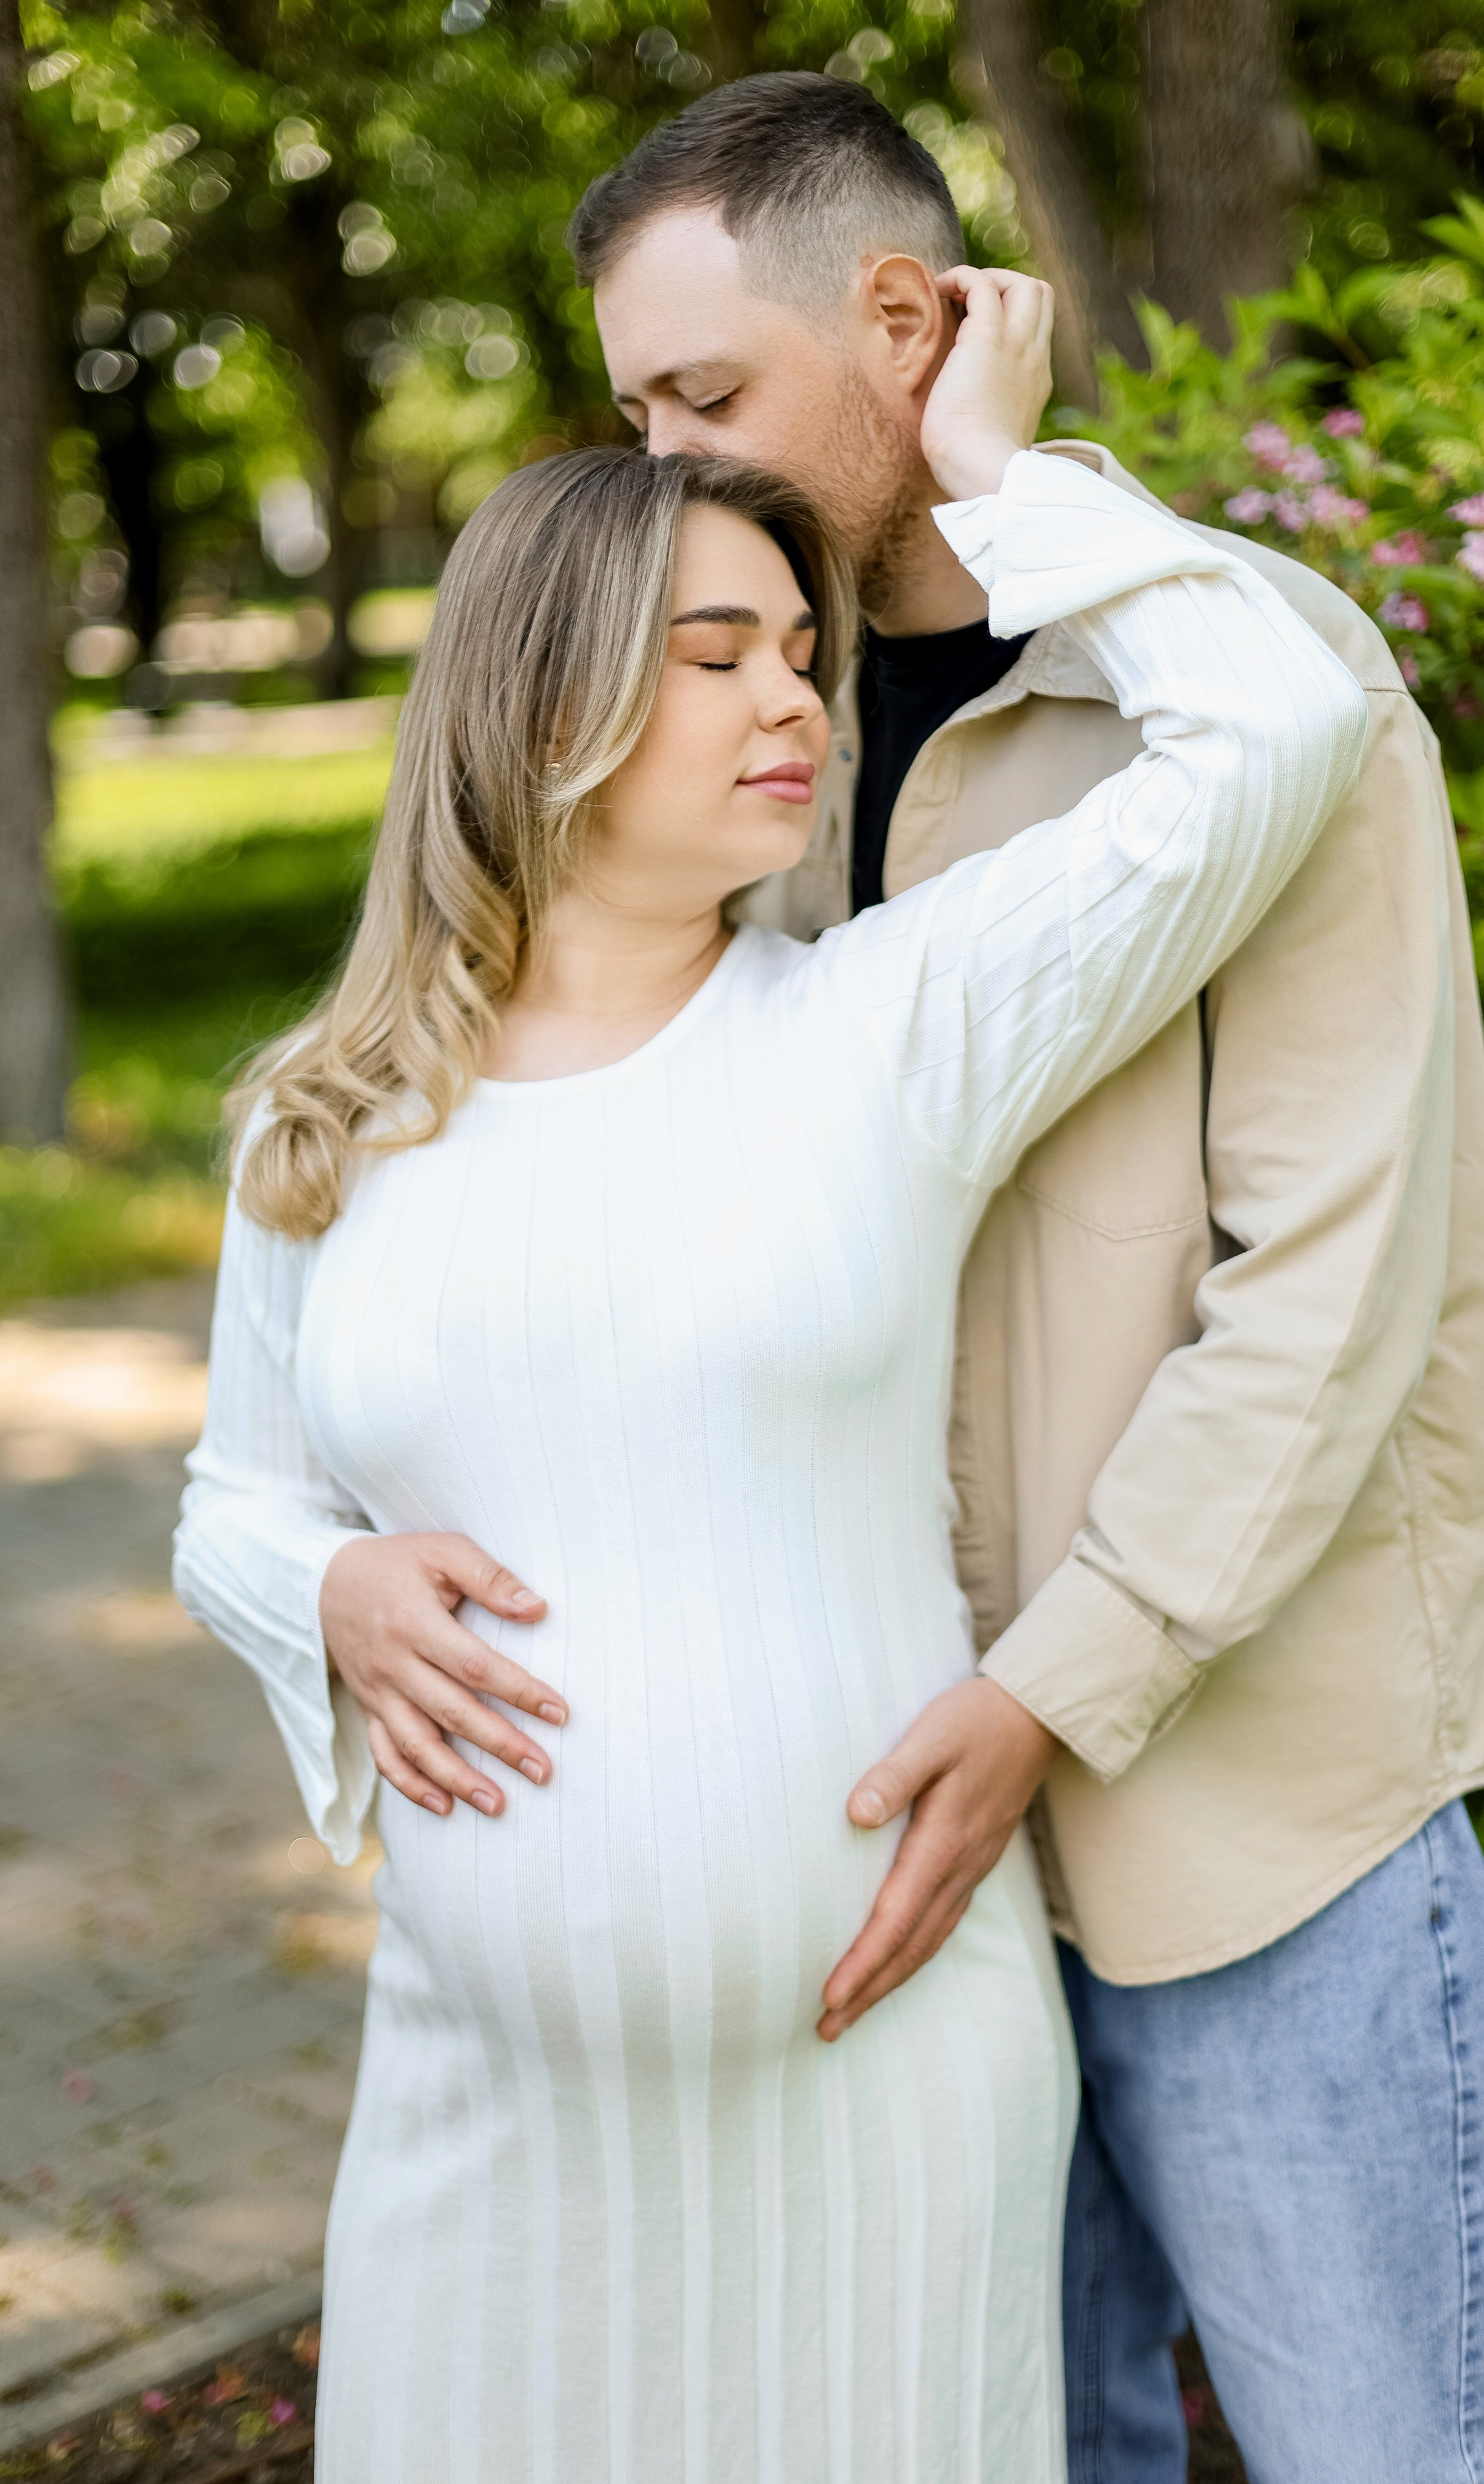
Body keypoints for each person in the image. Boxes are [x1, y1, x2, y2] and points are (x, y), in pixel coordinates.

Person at [173, 271, 1367, 2481]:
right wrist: (317, 1599)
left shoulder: (886, 1029)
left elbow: (1277, 729)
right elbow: (232, 1501)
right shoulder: (322, 1123)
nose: (793, 698)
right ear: (541, 708)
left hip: (885, 2113)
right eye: (715, 657)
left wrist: (1005, 476)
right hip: (486, 2140)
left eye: (802, 653)